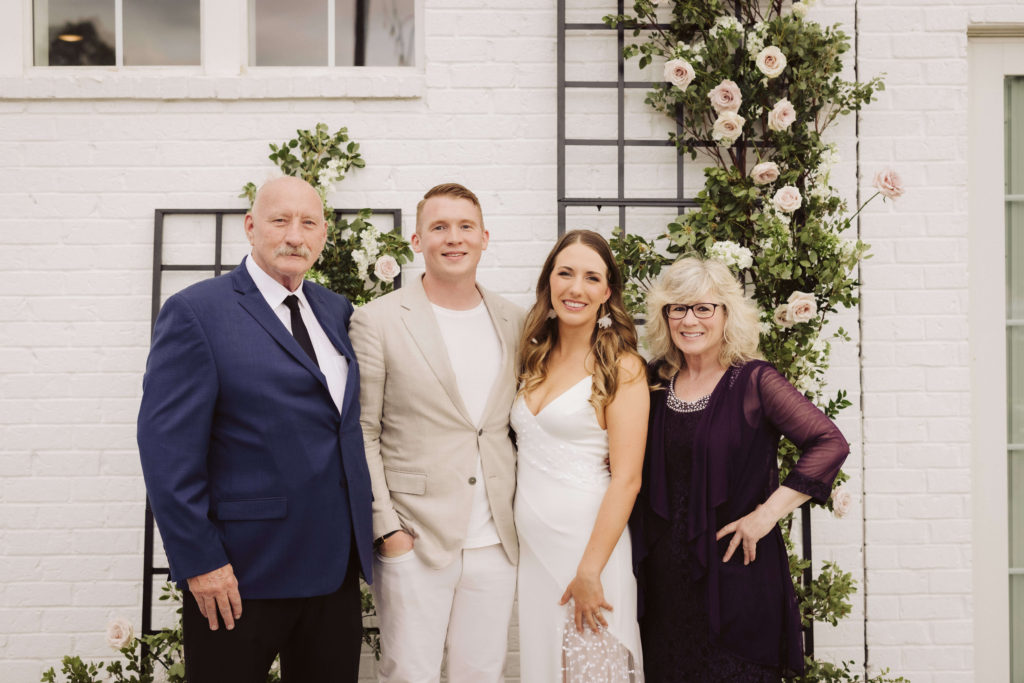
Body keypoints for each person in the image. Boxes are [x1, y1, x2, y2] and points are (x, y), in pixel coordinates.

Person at [137, 176, 374, 683]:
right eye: (280, 220)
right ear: (251, 227)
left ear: (324, 234)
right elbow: (166, 451)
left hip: (332, 573)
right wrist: (200, 561)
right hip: (240, 576)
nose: (295, 235)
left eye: (308, 223)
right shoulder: (198, 312)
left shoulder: (335, 311)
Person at [631, 257, 850, 682]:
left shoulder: (753, 381)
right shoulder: (655, 382)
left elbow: (829, 443)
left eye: (703, 308)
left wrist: (766, 514)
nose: (689, 320)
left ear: (726, 314)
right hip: (666, 589)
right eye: (677, 308)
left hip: (738, 579)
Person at [349, 183, 523, 682]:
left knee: (482, 674)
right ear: (416, 240)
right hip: (415, 536)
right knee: (409, 673)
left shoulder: (514, 319)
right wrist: (388, 528)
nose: (454, 238)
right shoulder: (378, 320)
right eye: (439, 227)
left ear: (485, 237)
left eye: (465, 226)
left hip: (494, 541)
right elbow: (363, 429)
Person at [512, 229, 649, 682]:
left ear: (607, 293)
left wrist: (590, 570)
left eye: (592, 278)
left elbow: (627, 479)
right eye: (565, 273)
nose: (576, 288)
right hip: (534, 555)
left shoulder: (623, 366)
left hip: (589, 552)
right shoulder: (531, 357)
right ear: (548, 281)